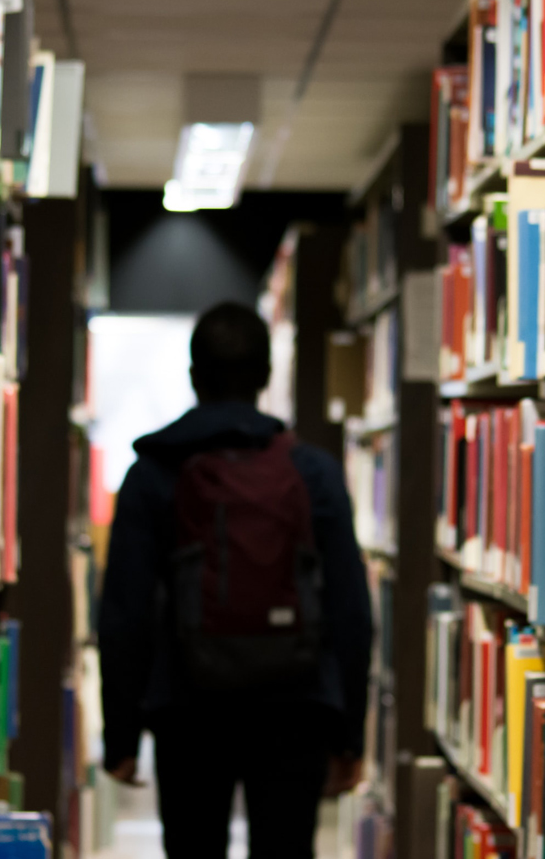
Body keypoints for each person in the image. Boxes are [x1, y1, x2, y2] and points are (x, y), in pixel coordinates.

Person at [98, 301, 374, 859]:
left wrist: (121, 736)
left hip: (188, 707)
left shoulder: (153, 472)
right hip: (296, 706)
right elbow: (350, 608)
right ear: (267, 376)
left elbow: (125, 612)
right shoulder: (312, 471)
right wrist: (349, 735)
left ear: (195, 376)